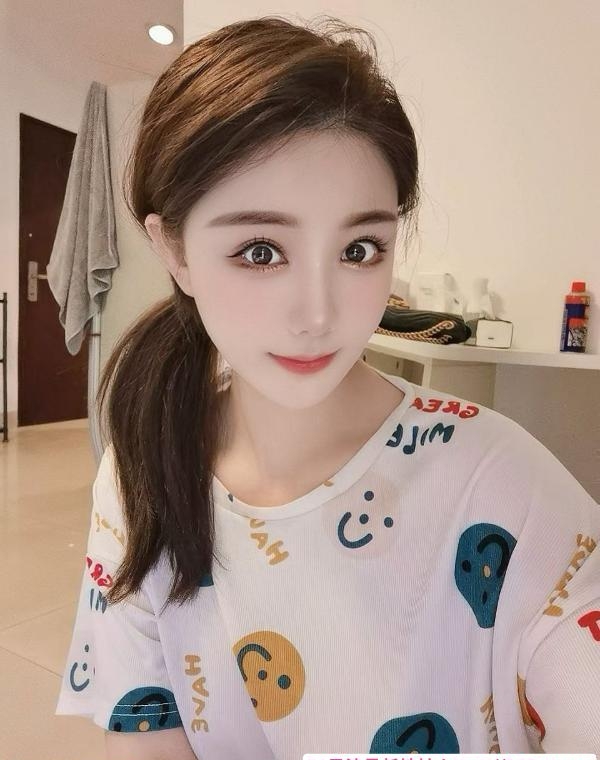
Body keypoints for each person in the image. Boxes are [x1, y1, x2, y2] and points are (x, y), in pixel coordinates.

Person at [55, 14, 600, 760]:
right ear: (173, 249)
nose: (318, 314)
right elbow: (146, 734)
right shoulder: (143, 473)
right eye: (260, 250)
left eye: (359, 249)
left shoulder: (503, 484)